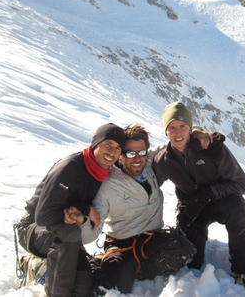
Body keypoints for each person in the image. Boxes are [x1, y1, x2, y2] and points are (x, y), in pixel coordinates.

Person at [80, 124, 197, 294]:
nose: (137, 159)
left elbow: (172, 144)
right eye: (130, 153)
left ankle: (133, 271)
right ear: (120, 155)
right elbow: (93, 228)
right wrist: (82, 223)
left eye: (141, 152)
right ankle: (107, 267)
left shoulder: (149, 164)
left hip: (152, 240)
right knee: (110, 287)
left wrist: (195, 133)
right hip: (122, 246)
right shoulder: (108, 184)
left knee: (185, 250)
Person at [15, 123, 127, 297]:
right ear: (96, 144)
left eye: (118, 147)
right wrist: (85, 209)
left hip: (64, 232)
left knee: (82, 286)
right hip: (32, 228)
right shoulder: (71, 168)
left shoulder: (101, 170)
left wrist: (80, 211)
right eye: (108, 144)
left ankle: (36, 267)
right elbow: (43, 216)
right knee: (70, 233)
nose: (112, 152)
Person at [152, 101, 245, 288]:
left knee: (237, 208)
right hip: (192, 209)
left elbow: (243, 185)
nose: (178, 133)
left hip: (221, 203)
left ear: (190, 128)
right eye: (172, 128)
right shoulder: (163, 161)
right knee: (191, 261)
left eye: (183, 126)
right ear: (165, 131)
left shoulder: (211, 148)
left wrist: (209, 193)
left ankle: (241, 269)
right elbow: (149, 187)